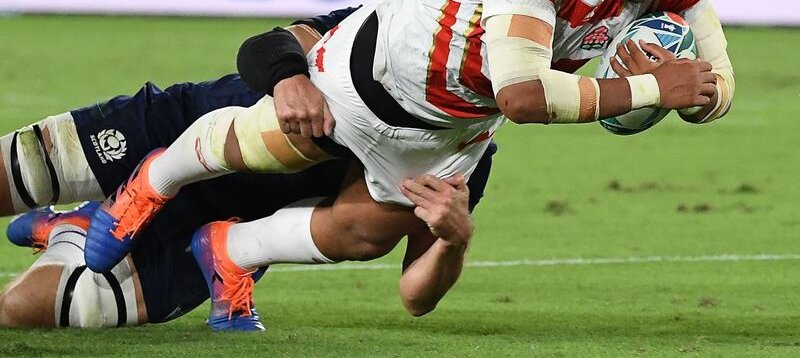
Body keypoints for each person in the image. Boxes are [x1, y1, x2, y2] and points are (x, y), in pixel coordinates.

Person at [85, 0, 735, 327]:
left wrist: (700, 95)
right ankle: (152, 180)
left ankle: (231, 249)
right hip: (377, 74)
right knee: (270, 147)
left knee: (364, 236)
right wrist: (655, 89)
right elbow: (525, 95)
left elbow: (716, 74)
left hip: (456, 128)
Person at [0, 158, 484, 329]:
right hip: (194, 168)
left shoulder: (466, 156)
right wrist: (287, 76)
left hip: (239, 222)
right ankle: (128, 196)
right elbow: (270, 47)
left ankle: (75, 226)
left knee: (36, 310)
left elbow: (416, 298)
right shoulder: (370, 46)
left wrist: (454, 240)